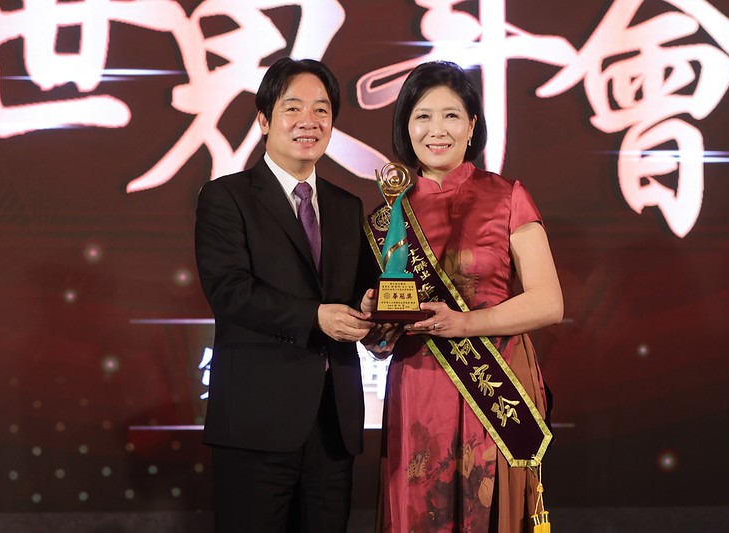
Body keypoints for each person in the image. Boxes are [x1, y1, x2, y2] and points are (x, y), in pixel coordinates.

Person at [367, 61, 564, 532]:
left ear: (472, 125)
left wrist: (464, 323)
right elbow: (379, 333)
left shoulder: (507, 196)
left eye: (451, 115)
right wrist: (376, 325)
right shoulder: (387, 217)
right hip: (418, 387)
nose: (437, 129)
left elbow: (548, 302)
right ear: (406, 126)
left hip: (494, 380)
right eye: (423, 116)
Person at [195, 57, 375, 532]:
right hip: (256, 421)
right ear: (264, 120)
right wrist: (315, 317)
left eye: (321, 110)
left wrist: (374, 311)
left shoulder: (346, 206)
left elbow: (360, 291)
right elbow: (230, 292)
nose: (308, 121)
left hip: (333, 423)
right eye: (292, 107)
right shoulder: (225, 197)